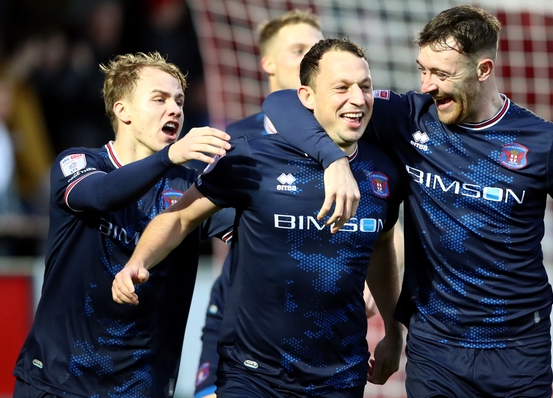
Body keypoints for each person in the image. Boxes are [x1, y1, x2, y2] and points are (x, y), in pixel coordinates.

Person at [261, 5, 553, 397]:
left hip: (518, 352)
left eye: (442, 74)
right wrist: (333, 162)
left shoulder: (542, 144)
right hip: (435, 349)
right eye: (423, 69)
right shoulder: (408, 118)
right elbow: (281, 103)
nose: (428, 85)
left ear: (483, 70)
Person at [112, 38, 404, 398]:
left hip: (341, 376)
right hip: (254, 375)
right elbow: (181, 217)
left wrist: (393, 330)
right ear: (307, 97)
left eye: (365, 87)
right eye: (341, 88)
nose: (357, 99)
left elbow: (382, 245)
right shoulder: (251, 157)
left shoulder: (384, 172)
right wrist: (137, 262)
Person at [192, 10, 395, 397]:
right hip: (246, 332)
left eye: (315, 48)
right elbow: (192, 212)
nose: (309, 57)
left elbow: (386, 227)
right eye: (299, 49)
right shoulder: (239, 138)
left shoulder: (358, 131)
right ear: (268, 62)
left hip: (328, 356)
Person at [12, 51, 232, 397]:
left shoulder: (190, 188)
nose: (174, 109)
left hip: (139, 388)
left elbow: (258, 237)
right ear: (122, 109)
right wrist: (169, 157)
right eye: (159, 99)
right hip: (56, 381)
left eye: (179, 101)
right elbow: (101, 196)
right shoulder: (78, 162)